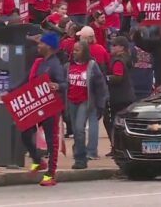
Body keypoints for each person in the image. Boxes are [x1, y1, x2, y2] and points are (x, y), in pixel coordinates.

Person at [21, 32, 67, 187]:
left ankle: (51, 174)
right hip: (36, 105)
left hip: (51, 107)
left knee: (51, 140)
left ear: (48, 46)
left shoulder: (55, 65)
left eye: (41, 44)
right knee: (25, 131)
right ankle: (37, 160)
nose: (38, 46)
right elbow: (27, 80)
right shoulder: (39, 62)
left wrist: (57, 86)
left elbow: (64, 84)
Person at [65, 41, 108, 169]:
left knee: (79, 129)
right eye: (74, 50)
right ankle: (79, 152)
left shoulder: (92, 66)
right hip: (71, 101)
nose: (74, 52)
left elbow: (100, 86)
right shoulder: (67, 66)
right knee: (75, 130)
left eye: (77, 50)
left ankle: (80, 158)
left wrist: (101, 105)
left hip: (85, 101)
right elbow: (64, 84)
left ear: (84, 51)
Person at [104, 37, 135, 150]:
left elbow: (118, 77)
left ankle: (116, 147)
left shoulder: (118, 60)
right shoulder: (128, 58)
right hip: (127, 96)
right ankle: (122, 147)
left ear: (121, 47)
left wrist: (105, 78)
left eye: (114, 45)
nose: (111, 47)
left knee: (110, 122)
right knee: (123, 124)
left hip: (118, 97)